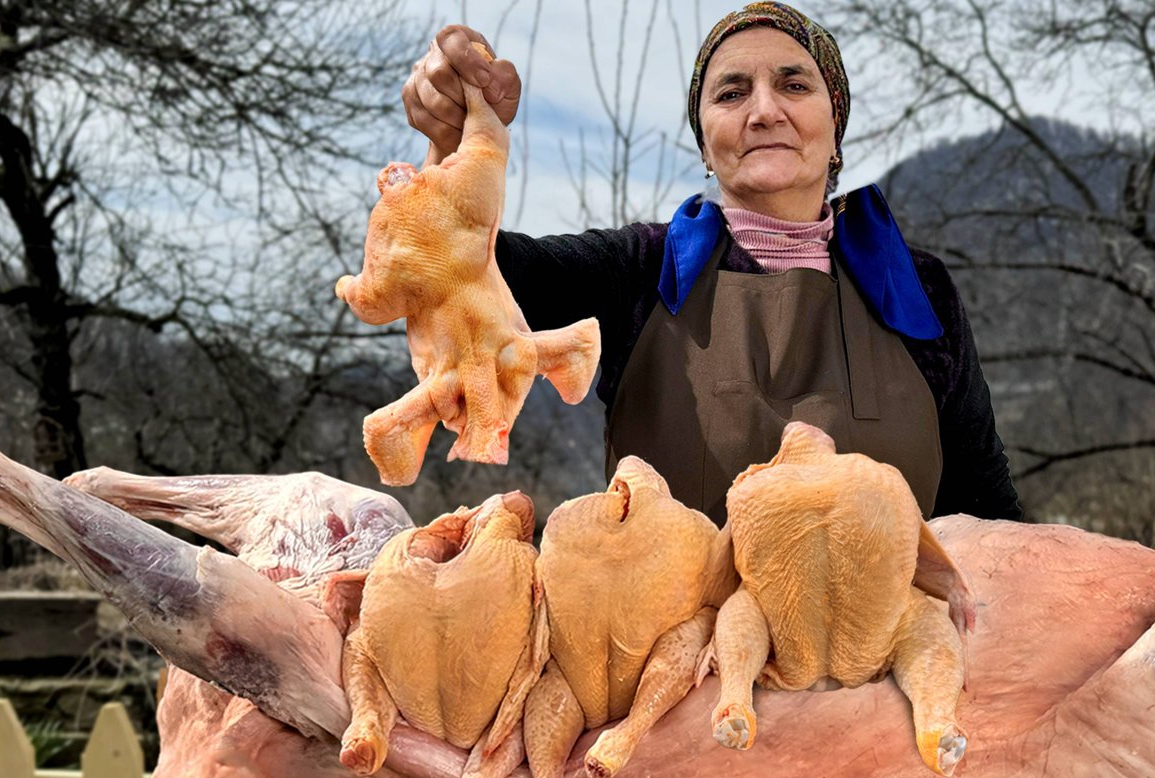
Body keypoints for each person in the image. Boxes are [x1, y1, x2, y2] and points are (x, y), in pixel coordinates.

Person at [400, 2, 1022, 525]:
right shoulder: (640, 272)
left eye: (794, 85)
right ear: (704, 140)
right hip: (682, 667)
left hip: (885, 664)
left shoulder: (918, 289)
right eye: (731, 93)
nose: (763, 111)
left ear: (835, 122)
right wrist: (457, 154)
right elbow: (467, 279)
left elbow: (985, 510)